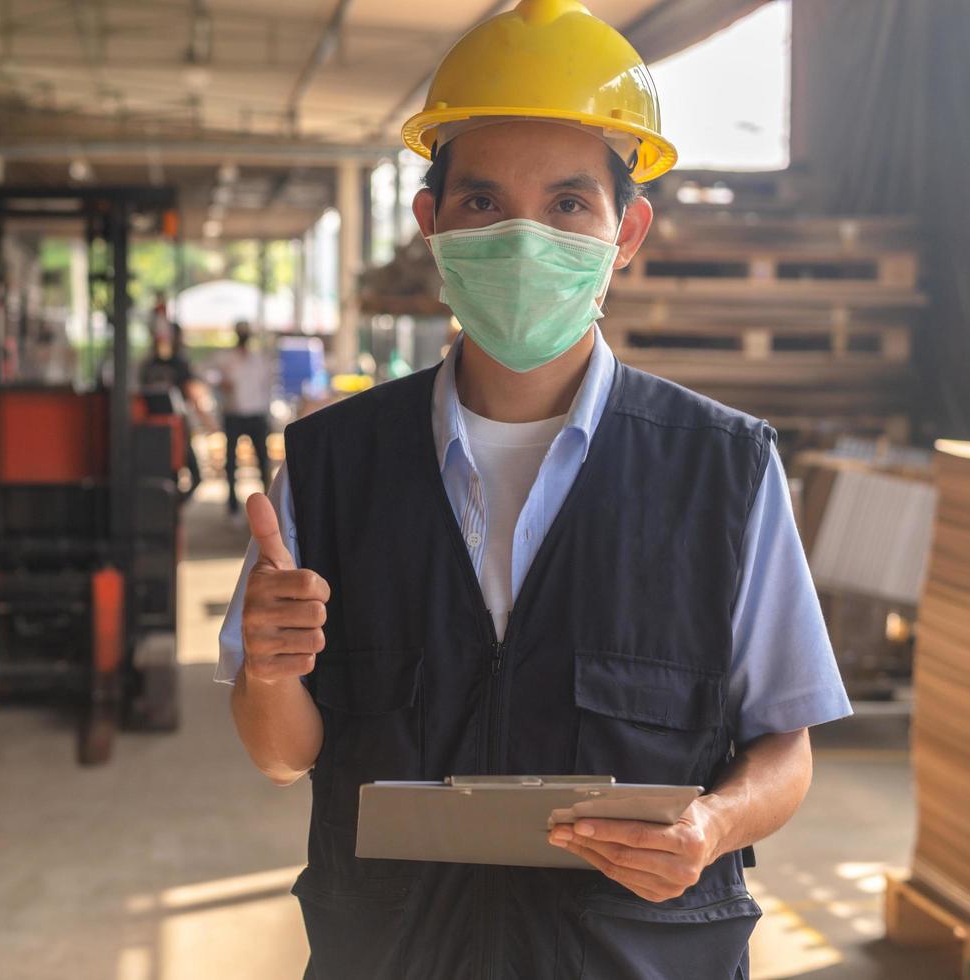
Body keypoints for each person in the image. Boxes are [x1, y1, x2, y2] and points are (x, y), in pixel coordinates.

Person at [215, 2, 851, 977]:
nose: (522, 237)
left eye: (566, 204)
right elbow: (284, 751)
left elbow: (783, 745)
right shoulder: (333, 465)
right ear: (432, 223)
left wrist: (713, 823)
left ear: (624, 230)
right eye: (481, 203)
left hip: (633, 955)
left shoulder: (723, 468)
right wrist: (269, 668)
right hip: (391, 953)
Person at [209, 320, 273, 515]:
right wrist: (221, 385)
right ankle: (232, 506)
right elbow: (209, 376)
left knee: (262, 460)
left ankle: (269, 503)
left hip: (256, 414)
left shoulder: (259, 359)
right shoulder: (226, 359)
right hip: (234, 414)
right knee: (231, 461)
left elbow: (267, 387)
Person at [140, 321, 206, 499]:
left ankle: (174, 509)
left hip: (173, 428)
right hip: (161, 430)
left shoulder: (166, 364)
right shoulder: (151, 364)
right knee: (173, 475)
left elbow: (190, 391)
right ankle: (171, 512)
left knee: (180, 474)